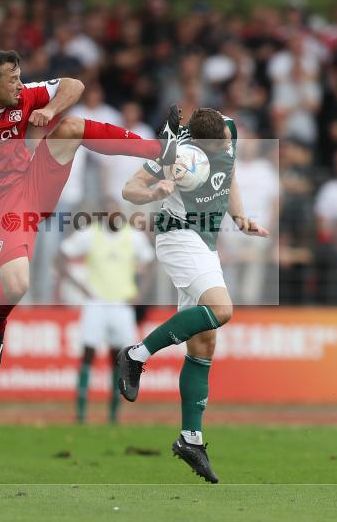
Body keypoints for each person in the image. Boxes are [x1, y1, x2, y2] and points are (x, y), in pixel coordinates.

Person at [0, 49, 180, 371]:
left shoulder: (25, 96)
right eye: (13, 80)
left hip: (32, 184)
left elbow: (74, 86)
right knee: (17, 285)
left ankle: (160, 149)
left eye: (20, 77)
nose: (20, 85)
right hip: (4, 208)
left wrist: (50, 109)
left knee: (71, 126)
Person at [120, 108, 269, 483]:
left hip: (206, 243)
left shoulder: (228, 129)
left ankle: (191, 439)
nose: (226, 147)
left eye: (226, 141)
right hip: (178, 236)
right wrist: (157, 190)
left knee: (204, 342)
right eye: (217, 146)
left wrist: (240, 218)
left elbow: (229, 173)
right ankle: (136, 355)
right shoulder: (175, 153)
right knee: (220, 309)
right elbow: (129, 190)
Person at [56, 196, 154, 424]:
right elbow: (61, 256)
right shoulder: (91, 234)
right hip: (96, 303)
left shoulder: (133, 237)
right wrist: (79, 285)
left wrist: (140, 291)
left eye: (115, 211)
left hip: (121, 304)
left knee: (118, 358)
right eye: (107, 211)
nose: (112, 215)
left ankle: (113, 414)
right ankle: (81, 412)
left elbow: (149, 262)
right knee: (88, 353)